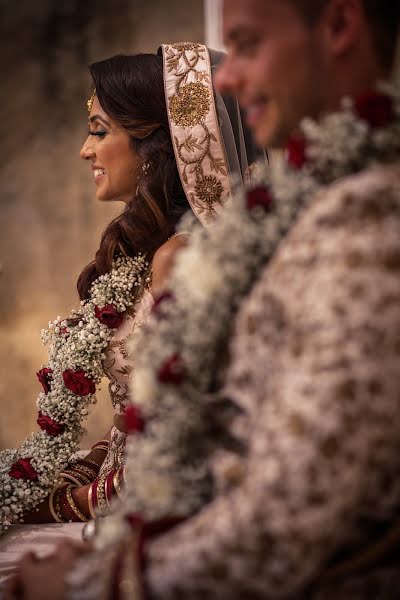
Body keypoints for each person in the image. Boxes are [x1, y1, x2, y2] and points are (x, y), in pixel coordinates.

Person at [5, 0, 400, 597]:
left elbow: (289, 502)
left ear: (340, 26)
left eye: (244, 44)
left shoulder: (363, 224)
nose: (229, 79)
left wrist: (101, 579)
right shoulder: (306, 212)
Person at [0, 42, 262, 587]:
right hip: (125, 479)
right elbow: (133, 425)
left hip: (165, 505)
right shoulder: (149, 253)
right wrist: (51, 478)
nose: (84, 151)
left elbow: (183, 443)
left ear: (155, 148)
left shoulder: (183, 260)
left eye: (99, 131)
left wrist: (60, 504)